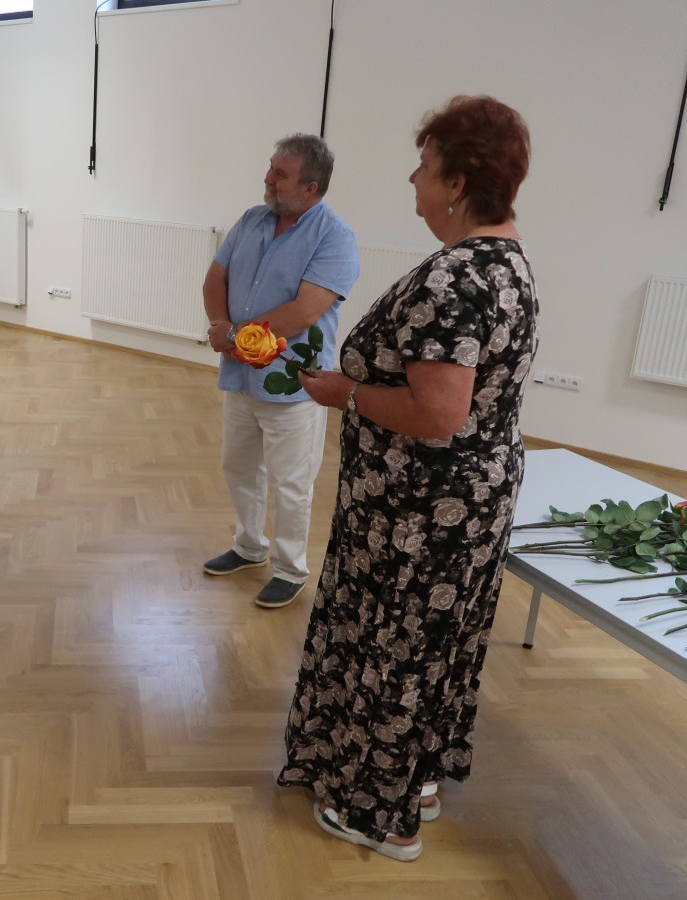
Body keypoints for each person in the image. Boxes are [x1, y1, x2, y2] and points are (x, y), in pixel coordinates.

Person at [276, 96, 538, 861]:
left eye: (424, 166)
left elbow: (438, 413)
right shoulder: (508, 262)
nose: (413, 179)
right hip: (468, 498)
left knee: (394, 646)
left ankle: (379, 817)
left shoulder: (454, 278)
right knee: (427, 647)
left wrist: (345, 393)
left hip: (420, 508)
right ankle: (413, 781)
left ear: (457, 183)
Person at [202, 134, 359, 610]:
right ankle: (249, 546)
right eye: (271, 168)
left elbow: (305, 311)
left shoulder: (334, 237)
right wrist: (222, 328)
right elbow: (215, 278)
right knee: (239, 466)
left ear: (310, 187)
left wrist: (235, 336)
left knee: (291, 483)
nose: (268, 179)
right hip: (241, 375)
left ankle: (290, 570)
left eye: (280, 174)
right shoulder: (252, 219)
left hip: (294, 382)